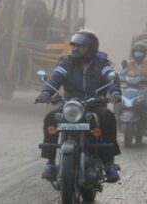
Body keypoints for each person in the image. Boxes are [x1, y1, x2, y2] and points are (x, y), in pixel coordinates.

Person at [35, 30, 122, 183]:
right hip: (71, 105)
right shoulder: (67, 62)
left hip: (94, 105)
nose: (75, 49)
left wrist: (114, 92)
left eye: (80, 46)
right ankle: (50, 163)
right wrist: (46, 93)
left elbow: (111, 78)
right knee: (50, 118)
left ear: (91, 48)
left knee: (108, 117)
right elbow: (56, 78)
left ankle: (109, 164)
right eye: (74, 46)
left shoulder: (102, 64)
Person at [123, 42, 147, 132]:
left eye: (140, 52)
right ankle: (117, 117)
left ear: (145, 53)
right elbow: (121, 72)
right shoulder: (128, 63)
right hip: (129, 88)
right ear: (133, 52)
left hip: (145, 88)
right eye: (136, 52)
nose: (138, 54)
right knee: (118, 99)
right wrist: (117, 77)